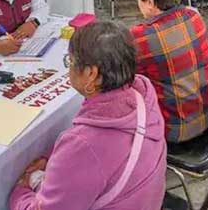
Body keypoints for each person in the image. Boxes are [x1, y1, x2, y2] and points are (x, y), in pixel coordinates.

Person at [9, 22, 166, 210]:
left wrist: (21, 191)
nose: (69, 68)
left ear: (91, 74)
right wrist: (52, 158)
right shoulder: (143, 95)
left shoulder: (84, 144)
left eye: (71, 61)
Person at [131, 0, 208, 143]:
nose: (137, 2)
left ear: (151, 2)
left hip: (174, 130)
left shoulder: (142, 37)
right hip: (207, 114)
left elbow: (125, 78)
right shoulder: (195, 16)